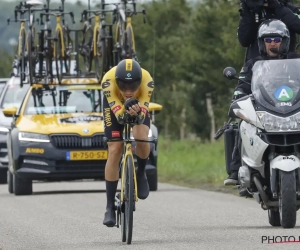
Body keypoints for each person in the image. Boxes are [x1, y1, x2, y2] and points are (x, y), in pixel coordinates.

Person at [224, 19, 300, 195]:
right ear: (261, 43)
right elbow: (242, 86)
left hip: (294, 108)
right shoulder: (252, 64)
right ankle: (236, 171)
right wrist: (238, 98)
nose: (272, 43)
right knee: (242, 124)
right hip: (265, 110)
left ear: (285, 41)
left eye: (276, 39)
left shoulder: (296, 60)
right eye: (268, 40)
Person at [101, 59, 154, 227]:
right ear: (117, 83)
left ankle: (141, 172)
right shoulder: (108, 82)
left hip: (139, 107)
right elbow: (119, 117)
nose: (128, 91)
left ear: (140, 82)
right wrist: (125, 109)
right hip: (114, 107)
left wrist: (137, 111)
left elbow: (141, 116)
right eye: (123, 86)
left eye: (133, 87)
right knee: (115, 148)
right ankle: (109, 206)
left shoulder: (148, 81)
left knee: (141, 136)